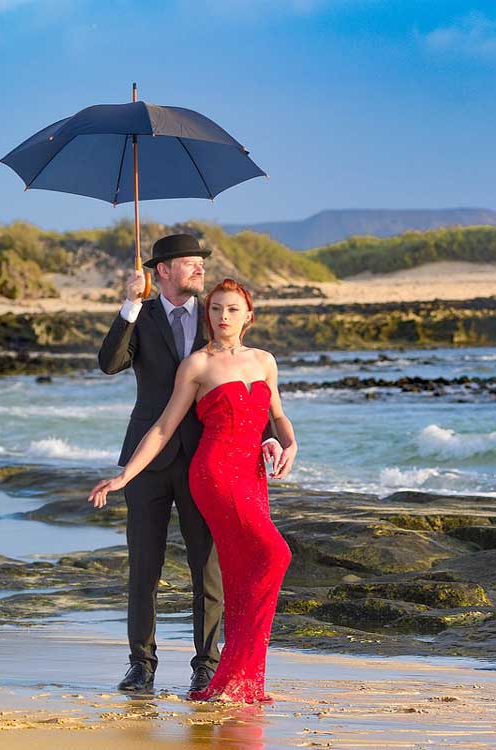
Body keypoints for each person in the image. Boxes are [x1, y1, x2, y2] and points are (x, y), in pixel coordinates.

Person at [90, 276, 297, 704]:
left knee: (230, 572)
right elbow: (164, 425)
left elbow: (275, 413)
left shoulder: (265, 360)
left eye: (233, 309)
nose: (223, 316)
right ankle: (168, 665)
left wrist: (286, 441)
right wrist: (125, 475)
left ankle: (230, 674)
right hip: (214, 472)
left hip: (252, 475)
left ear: (250, 316)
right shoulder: (197, 363)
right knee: (275, 554)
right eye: (217, 309)